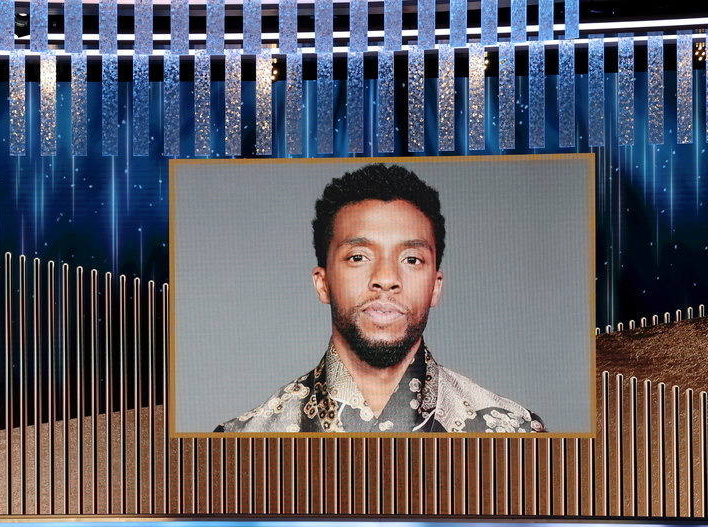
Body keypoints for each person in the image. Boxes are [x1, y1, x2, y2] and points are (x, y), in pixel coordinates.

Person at [215, 163, 545, 434]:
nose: (386, 279)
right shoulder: (240, 443)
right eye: (358, 257)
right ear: (323, 282)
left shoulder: (513, 433)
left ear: (436, 287)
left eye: (412, 260)